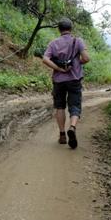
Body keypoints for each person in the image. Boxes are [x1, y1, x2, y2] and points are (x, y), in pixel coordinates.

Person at [42, 18, 90, 149]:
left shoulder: (53, 43)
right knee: (75, 106)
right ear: (71, 28)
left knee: (60, 107)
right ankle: (72, 127)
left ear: (59, 29)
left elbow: (45, 59)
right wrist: (77, 63)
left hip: (58, 80)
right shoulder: (78, 41)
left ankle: (62, 134)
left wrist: (57, 68)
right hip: (74, 79)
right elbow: (86, 58)